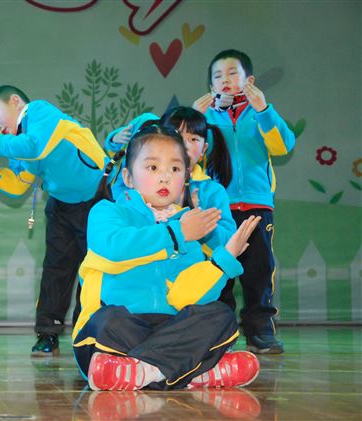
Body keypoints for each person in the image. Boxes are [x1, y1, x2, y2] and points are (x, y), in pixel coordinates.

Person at [72, 125, 261, 391]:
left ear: (185, 177)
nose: (164, 178)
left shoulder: (188, 223)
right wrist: (175, 234)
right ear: (127, 176)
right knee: (108, 321)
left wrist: (224, 261)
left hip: (171, 329)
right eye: (152, 168)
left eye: (175, 169)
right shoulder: (107, 212)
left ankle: (143, 372)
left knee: (221, 316)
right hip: (120, 331)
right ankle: (192, 372)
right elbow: (114, 250)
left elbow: (188, 297)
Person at [0, 85, 111, 355]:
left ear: (15, 102)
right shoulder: (19, 144)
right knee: (56, 269)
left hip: (97, 200)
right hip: (61, 207)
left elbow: (36, 147)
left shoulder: (40, 112)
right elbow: (18, 185)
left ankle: (90, 332)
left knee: (94, 269)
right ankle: (48, 333)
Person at [193, 49, 296, 354]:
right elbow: (188, 155)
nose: (225, 80)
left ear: (249, 80)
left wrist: (263, 110)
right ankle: (219, 331)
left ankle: (260, 330)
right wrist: (195, 121)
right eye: (217, 76)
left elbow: (282, 147)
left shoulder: (260, 112)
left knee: (259, 270)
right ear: (210, 85)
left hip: (256, 204)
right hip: (217, 207)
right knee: (218, 269)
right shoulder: (206, 117)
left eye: (232, 73)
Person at [105, 106, 236, 253]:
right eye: (176, 135)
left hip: (192, 271)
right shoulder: (135, 185)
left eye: (193, 139)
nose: (184, 145)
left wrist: (196, 217)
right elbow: (118, 242)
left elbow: (229, 244)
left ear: (203, 149)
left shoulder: (212, 191)